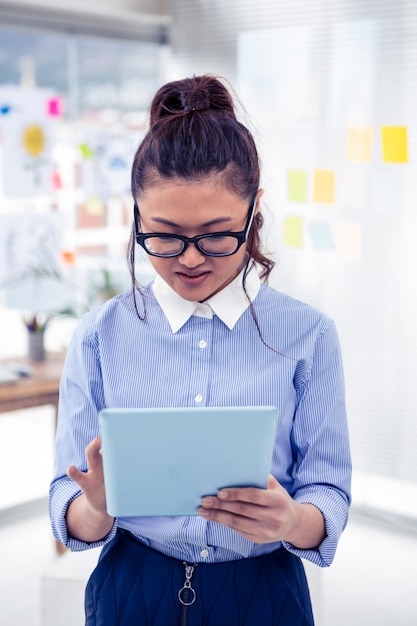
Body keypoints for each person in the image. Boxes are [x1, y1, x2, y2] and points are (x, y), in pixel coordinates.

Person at [49, 74, 351, 626]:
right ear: (138, 214)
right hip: (132, 589)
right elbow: (66, 502)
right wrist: (94, 507)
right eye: (163, 235)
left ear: (254, 209)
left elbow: (329, 492)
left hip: (265, 593)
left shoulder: (309, 336)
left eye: (216, 234)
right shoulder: (98, 336)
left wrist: (291, 522)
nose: (190, 259)